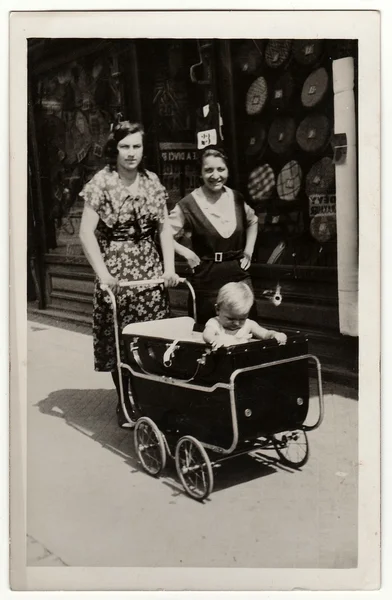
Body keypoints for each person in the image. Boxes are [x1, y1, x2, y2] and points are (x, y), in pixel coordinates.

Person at [79, 121, 179, 428]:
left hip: (149, 270)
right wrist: (104, 274)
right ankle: (124, 402)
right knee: (120, 339)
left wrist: (170, 268)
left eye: (136, 146)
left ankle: (150, 399)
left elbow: (164, 230)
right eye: (125, 146)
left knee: (152, 337)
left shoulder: (151, 181)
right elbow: (85, 233)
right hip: (117, 272)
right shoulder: (102, 182)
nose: (131, 153)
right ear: (115, 148)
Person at [169, 147, 259, 325]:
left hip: (238, 277)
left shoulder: (237, 198)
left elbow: (253, 221)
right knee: (208, 336)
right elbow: (163, 235)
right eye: (208, 170)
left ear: (228, 171)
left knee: (246, 332)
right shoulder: (188, 204)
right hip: (207, 280)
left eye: (221, 169)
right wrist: (185, 252)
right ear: (200, 174)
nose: (215, 175)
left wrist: (248, 251)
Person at [203, 282, 287, 349]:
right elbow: (207, 335)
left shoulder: (249, 324)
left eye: (242, 319)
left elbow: (265, 334)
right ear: (218, 309)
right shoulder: (215, 323)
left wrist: (275, 334)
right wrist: (215, 339)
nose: (236, 323)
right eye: (230, 318)